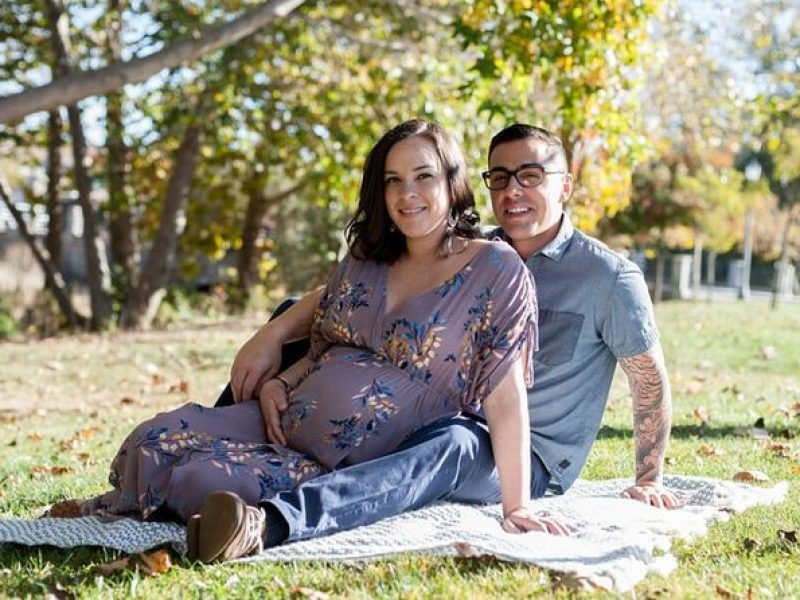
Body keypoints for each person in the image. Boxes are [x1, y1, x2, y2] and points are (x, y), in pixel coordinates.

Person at [79, 119, 564, 563]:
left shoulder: (496, 270)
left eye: (423, 177)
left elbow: (506, 393)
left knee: (202, 479)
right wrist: (280, 384)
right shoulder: (366, 258)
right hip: (284, 423)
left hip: (351, 458)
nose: (407, 193)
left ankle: (228, 516)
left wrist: (516, 504)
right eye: (393, 180)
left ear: (452, 182)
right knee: (152, 438)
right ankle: (161, 505)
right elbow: (324, 344)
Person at [224, 123, 677, 549]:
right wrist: (275, 331)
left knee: (455, 443)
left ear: (565, 186)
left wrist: (649, 478)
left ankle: (275, 522)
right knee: (296, 322)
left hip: (519, 456)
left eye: (531, 176)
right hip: (429, 406)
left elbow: (648, 379)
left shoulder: (608, 277)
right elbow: (349, 294)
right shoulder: (477, 253)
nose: (512, 191)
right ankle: (216, 450)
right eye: (499, 178)